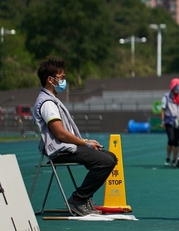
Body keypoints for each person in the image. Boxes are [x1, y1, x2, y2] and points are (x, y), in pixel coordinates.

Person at [32, 57, 117, 216]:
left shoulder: (52, 100)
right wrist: (85, 143)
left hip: (66, 147)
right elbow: (60, 133)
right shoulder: (47, 103)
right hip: (59, 151)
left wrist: (86, 143)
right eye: (62, 77)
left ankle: (83, 199)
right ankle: (78, 200)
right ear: (51, 80)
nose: (64, 81)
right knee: (105, 161)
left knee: (110, 157)